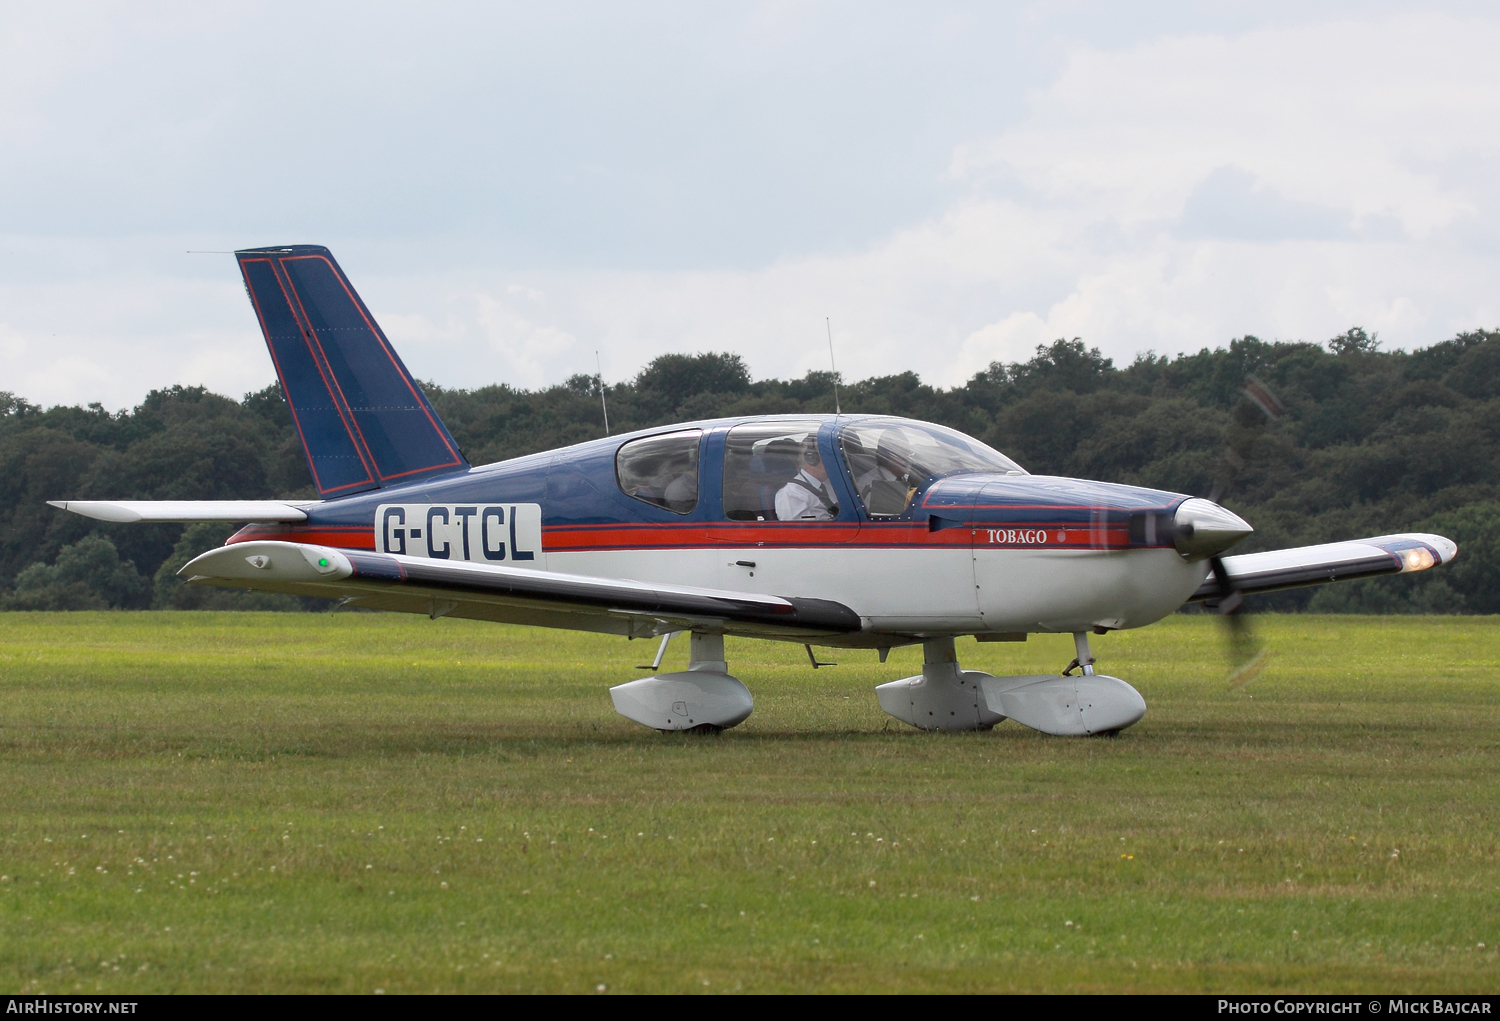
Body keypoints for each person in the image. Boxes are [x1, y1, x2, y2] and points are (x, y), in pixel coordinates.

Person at [774, 437, 839, 521]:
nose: (834, 461)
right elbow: (799, 532)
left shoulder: (831, 486)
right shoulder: (791, 494)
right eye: (829, 456)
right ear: (811, 459)